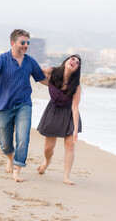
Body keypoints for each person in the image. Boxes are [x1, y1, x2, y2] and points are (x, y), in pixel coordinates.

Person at [0, 29, 47, 182]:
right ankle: (10, 159)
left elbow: (42, 79)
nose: (26, 45)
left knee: (23, 138)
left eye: (27, 43)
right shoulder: (2, 59)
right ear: (13, 43)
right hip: (4, 105)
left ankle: (17, 171)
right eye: (22, 42)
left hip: (24, 104)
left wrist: (60, 87)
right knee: (5, 142)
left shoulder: (30, 61)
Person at [37, 54, 82, 185]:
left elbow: (75, 107)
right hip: (53, 111)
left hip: (68, 113)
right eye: (72, 59)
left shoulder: (76, 85)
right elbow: (37, 70)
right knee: (48, 148)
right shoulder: (53, 71)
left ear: (77, 69)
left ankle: (66, 177)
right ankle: (47, 161)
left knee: (70, 145)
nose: (74, 62)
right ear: (66, 61)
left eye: (77, 62)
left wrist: (75, 130)